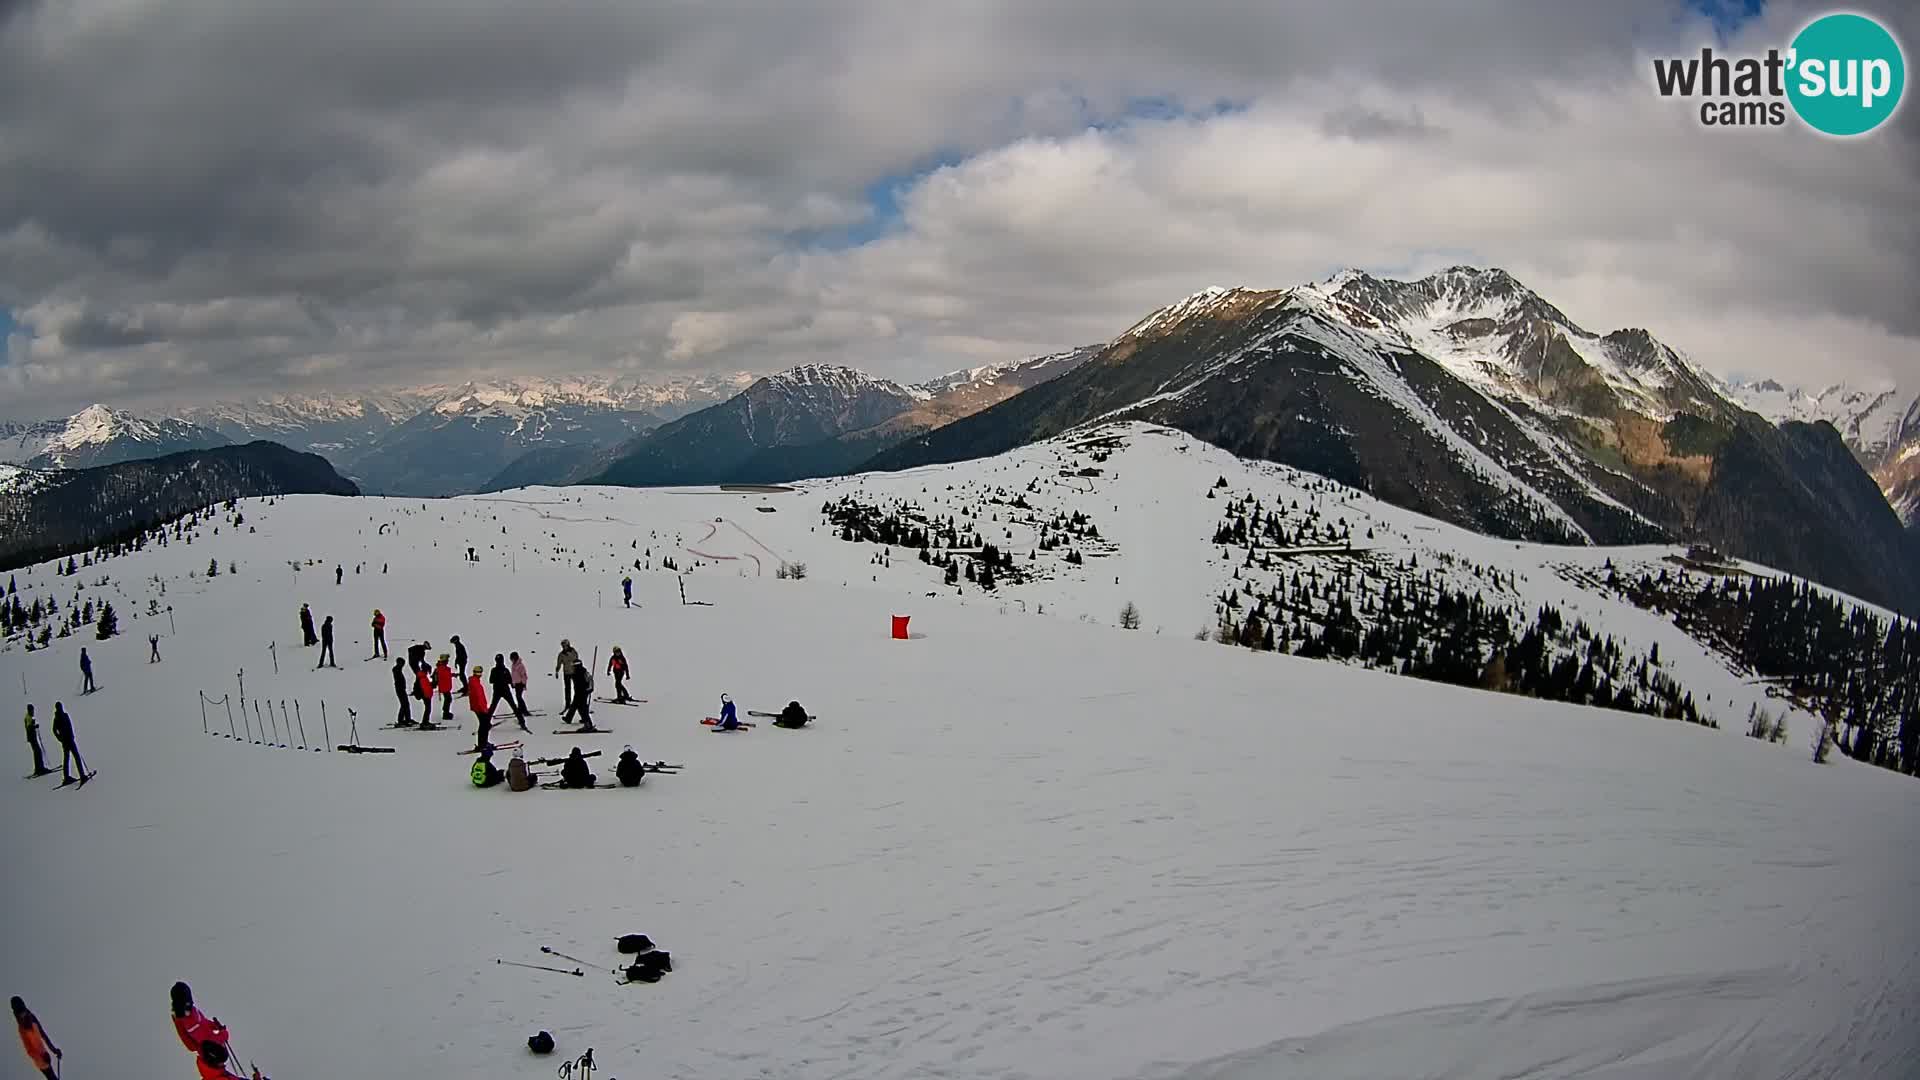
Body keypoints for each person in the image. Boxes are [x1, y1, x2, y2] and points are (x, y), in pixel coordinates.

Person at [170, 981, 230, 1055]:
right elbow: (208, 1041)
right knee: (222, 1056)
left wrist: (214, 1025)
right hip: (211, 1054)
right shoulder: (190, 1022)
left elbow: (203, 1023)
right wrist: (223, 1035)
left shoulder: (191, 1012)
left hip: (212, 1049)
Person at [11, 996, 60, 1080]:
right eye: (19, 1013)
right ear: (16, 1014)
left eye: (23, 1010)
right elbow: (30, 1051)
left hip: (46, 1055)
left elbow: (43, 1034)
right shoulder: (22, 1029)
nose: (22, 1014)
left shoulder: (32, 1018)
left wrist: (54, 1050)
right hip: (41, 1061)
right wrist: (42, 1058)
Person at [51, 702, 87, 784]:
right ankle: (81, 776)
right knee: (76, 757)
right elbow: (54, 730)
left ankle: (67, 777)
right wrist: (60, 738)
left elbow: (69, 726)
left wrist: (68, 736)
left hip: (68, 740)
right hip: (68, 741)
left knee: (68, 758)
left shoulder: (61, 716)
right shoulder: (58, 718)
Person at [197, 1037, 265, 1080]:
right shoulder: (217, 1076)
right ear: (212, 1062)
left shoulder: (215, 1072)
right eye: (221, 1062)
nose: (223, 1064)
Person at [467, 666, 492, 752]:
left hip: (477, 707)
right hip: (480, 708)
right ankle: (482, 744)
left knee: (484, 725)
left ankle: (483, 743)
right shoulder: (475, 683)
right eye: (478, 672)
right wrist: (484, 709)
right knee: (484, 726)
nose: (480, 674)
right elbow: (479, 697)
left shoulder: (474, 681)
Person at [23, 704, 50, 777]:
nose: (33, 712)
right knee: (38, 751)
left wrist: (34, 725)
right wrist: (34, 726)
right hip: (32, 738)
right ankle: (40, 769)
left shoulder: (28, 716)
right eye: (32, 710)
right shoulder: (28, 717)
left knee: (37, 751)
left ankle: (39, 768)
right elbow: (29, 728)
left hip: (32, 737)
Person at [553, 640, 579, 709]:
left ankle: (577, 702)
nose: (564, 647)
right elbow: (559, 663)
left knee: (577, 688)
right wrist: (557, 671)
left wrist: (578, 669)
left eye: (565, 646)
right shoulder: (561, 654)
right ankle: (568, 704)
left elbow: (576, 660)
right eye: (563, 646)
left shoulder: (573, 651)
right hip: (566, 673)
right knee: (567, 689)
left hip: (574, 672)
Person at [509, 651, 530, 721]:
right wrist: (513, 683)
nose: (511, 660)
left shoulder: (520, 665)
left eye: (512, 658)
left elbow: (524, 675)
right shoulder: (513, 665)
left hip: (520, 683)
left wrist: (524, 683)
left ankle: (524, 710)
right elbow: (513, 675)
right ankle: (521, 709)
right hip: (516, 683)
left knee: (519, 697)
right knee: (518, 697)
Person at [391, 659, 413, 727]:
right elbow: (399, 680)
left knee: (405, 704)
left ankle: (406, 719)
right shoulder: (396, 670)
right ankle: (404, 720)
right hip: (400, 689)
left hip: (401, 689)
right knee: (405, 704)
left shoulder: (398, 669)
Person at [433, 655, 456, 722]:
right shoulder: (442, 668)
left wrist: (452, 675)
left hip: (445, 686)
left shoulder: (441, 668)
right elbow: (443, 676)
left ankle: (446, 712)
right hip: (445, 687)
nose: (448, 661)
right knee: (448, 699)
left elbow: (445, 675)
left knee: (448, 699)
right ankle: (445, 713)